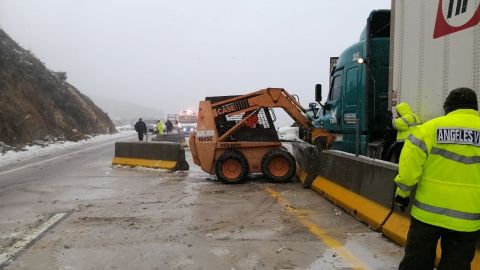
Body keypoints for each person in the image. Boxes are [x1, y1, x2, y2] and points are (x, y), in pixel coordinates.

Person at [394, 87, 480, 270]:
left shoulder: (428, 129)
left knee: (416, 263)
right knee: (456, 265)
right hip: (467, 219)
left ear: (448, 107)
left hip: (427, 217)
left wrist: (402, 192)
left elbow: (409, 166)